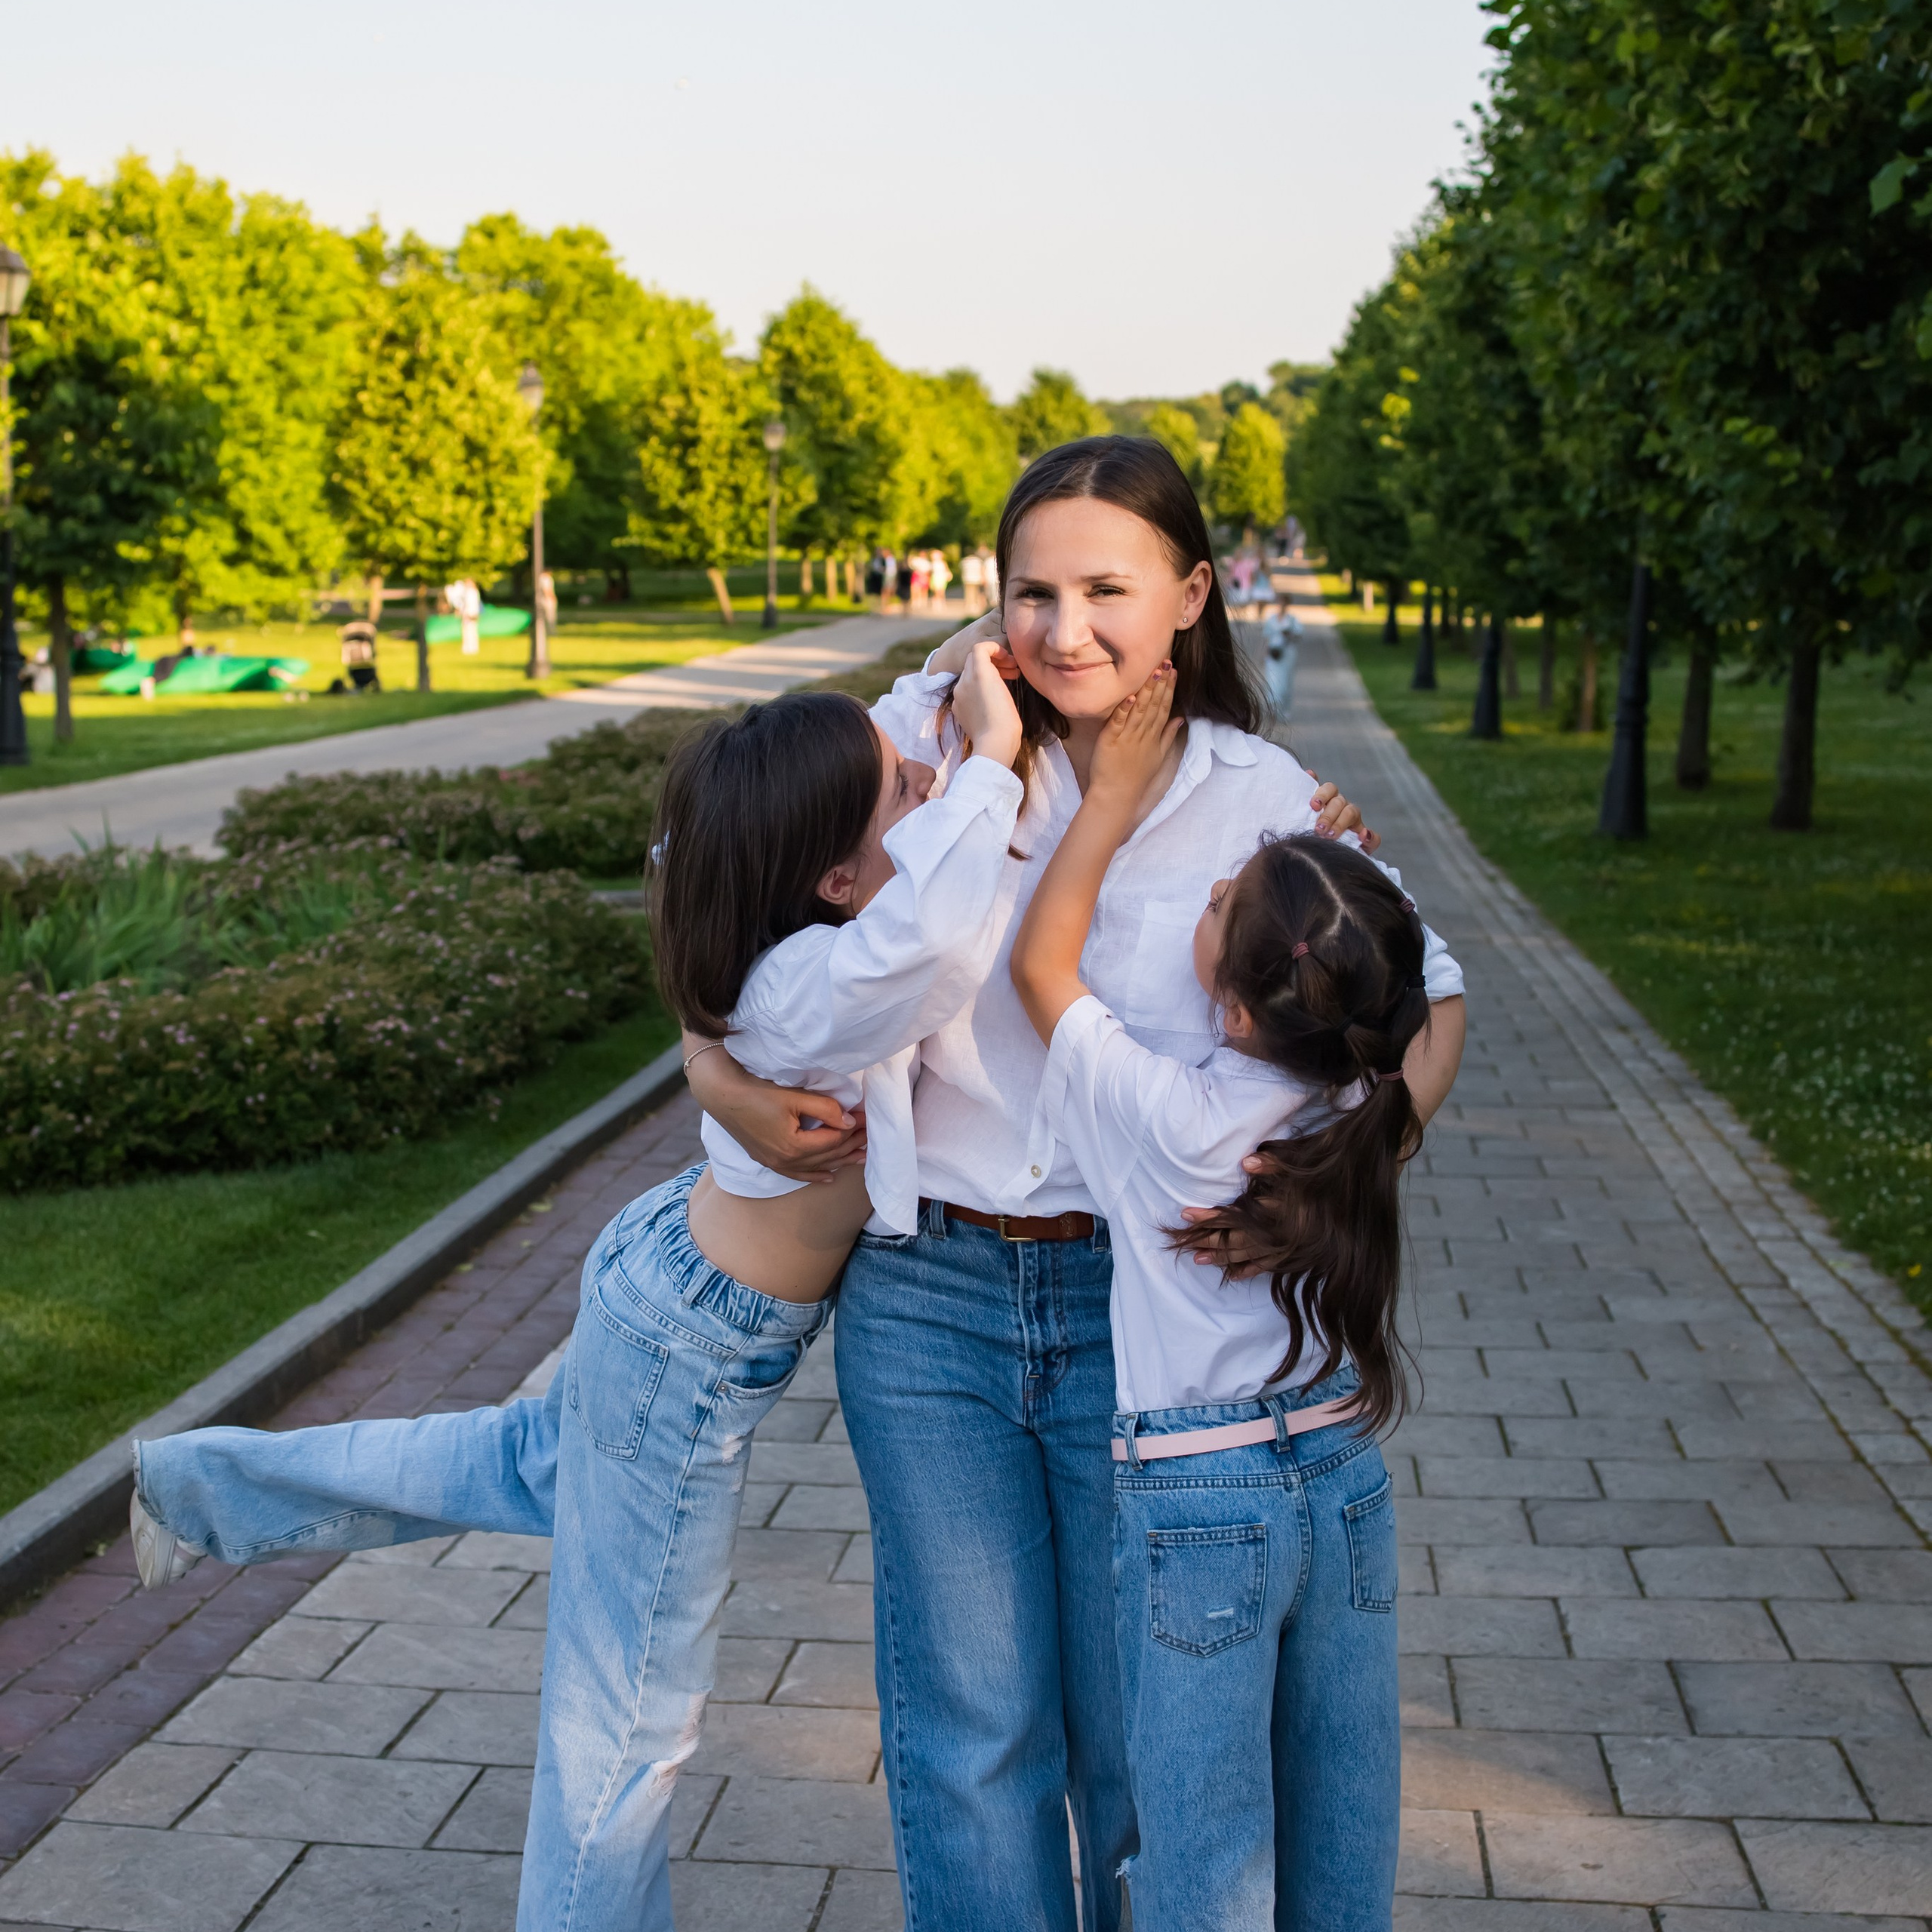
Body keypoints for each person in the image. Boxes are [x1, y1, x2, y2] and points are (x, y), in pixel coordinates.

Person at [687, 435, 1463, 1932]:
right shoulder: (913, 742)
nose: (1061, 629)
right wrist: (716, 1075)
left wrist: (1330, 1171)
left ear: (1190, 594)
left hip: (1148, 1316)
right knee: (972, 1725)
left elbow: (1430, 998)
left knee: (1141, 1739)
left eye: (1106, 587)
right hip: (932, 1298)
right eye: (1029, 589)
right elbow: (704, 882)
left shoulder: (1263, 801)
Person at [129, 650, 1031, 1932]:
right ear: (835, 877)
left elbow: (882, 746)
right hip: (687, 1356)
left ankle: (194, 1485)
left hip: (667, 1283)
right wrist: (993, 762)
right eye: (907, 789)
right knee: (623, 1723)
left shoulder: (803, 912)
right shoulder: (823, 981)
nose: (933, 775)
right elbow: (938, 930)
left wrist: (970, 655)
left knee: (506, 1465)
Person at [1009, 663, 1457, 1925]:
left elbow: (1044, 970)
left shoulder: (1187, 1128)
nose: (1211, 885)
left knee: (1204, 1858)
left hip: (1205, 1499)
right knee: (1345, 1827)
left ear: (1232, 999)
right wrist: (1347, 857)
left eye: (1226, 897)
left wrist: (1103, 807)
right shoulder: (1362, 1104)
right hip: (1343, 1481)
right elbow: (1437, 1000)